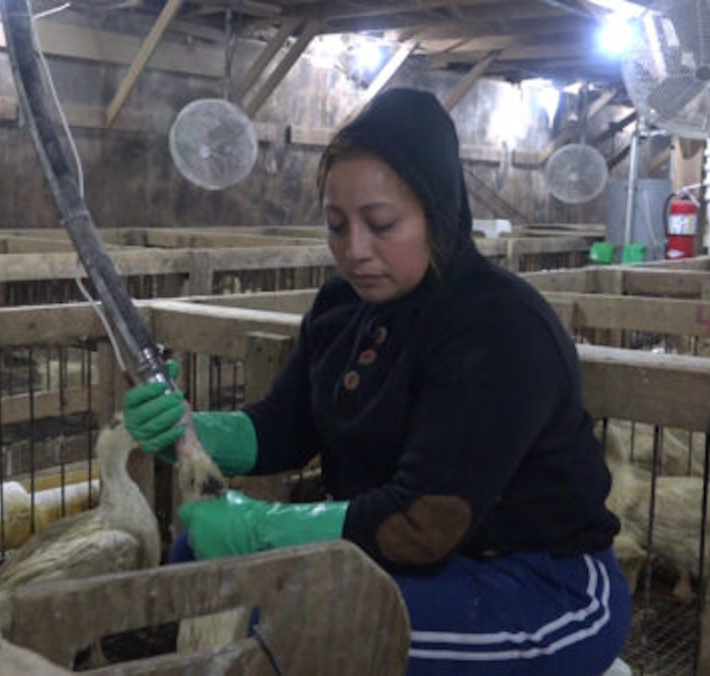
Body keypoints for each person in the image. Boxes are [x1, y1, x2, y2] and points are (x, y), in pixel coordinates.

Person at [124, 88, 631, 676]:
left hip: (536, 583)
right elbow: (288, 423)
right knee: (199, 561)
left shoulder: (496, 325)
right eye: (337, 226)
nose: (355, 251)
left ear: (438, 215)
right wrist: (193, 434)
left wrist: (259, 529)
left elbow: (422, 520)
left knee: (296, 628)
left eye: (381, 223)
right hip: (410, 561)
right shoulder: (342, 306)